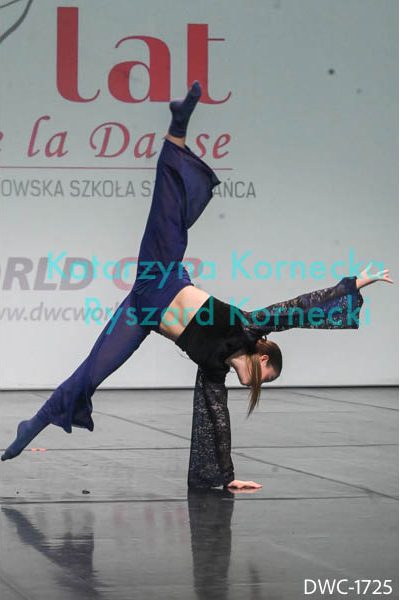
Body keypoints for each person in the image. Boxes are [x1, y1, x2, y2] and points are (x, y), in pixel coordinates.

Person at [1, 82, 393, 491]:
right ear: (262, 358)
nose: (261, 383)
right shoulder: (247, 327)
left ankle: (30, 427)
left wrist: (228, 478)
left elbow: (216, 424)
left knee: (89, 374)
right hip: (162, 277)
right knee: (167, 207)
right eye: (267, 375)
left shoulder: (213, 373)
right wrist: (355, 284)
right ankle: (179, 123)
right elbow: (298, 309)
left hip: (140, 313)